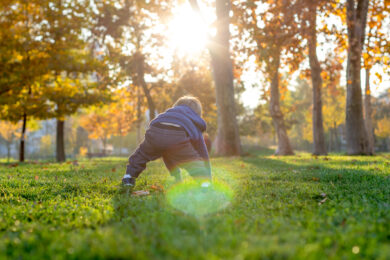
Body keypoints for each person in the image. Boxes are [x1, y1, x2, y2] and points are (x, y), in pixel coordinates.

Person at [122, 96, 211, 188]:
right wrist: (208, 175)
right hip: (177, 134)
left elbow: (167, 152)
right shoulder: (194, 122)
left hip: (155, 130)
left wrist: (176, 175)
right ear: (197, 112)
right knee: (192, 161)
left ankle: (128, 177)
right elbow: (202, 151)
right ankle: (205, 184)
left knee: (140, 155)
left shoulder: (169, 113)